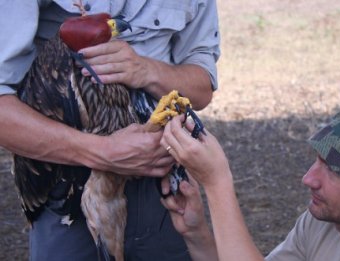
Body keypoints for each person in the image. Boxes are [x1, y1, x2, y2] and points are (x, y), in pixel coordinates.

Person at [0, 1, 220, 260]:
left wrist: (146, 70)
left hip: (166, 190)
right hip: (68, 188)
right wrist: (102, 151)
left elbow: (202, 90)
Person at [160, 94, 340, 260]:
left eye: (334, 170)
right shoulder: (325, 222)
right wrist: (197, 234)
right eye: (318, 160)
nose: (309, 179)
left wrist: (217, 183)